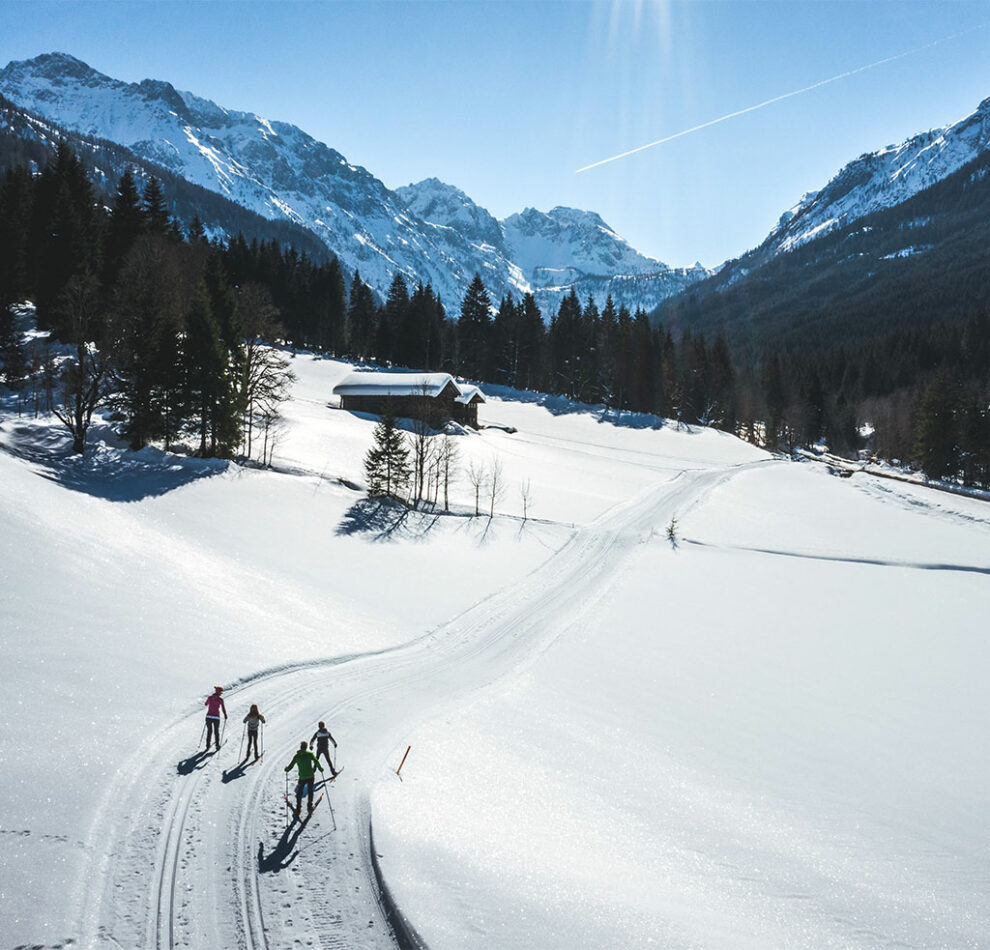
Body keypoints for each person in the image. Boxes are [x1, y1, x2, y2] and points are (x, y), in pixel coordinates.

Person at [285, 741, 323, 814]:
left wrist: (287, 769)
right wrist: (320, 769)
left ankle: (298, 809)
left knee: (299, 793)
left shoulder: (297, 756)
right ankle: (309, 807)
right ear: (306, 747)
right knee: (310, 791)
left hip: (302, 777)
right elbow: (316, 761)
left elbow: (291, 766)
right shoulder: (310, 754)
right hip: (310, 776)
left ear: (300, 747)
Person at [204, 686, 227, 750]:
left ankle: (208, 745)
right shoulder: (220, 700)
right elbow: (223, 708)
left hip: (208, 716)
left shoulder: (210, 698)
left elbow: (206, 704)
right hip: (216, 717)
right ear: (218, 692)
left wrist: (209, 702)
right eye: (221, 692)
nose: (222, 693)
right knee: (216, 731)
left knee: (209, 731)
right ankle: (217, 745)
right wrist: (225, 714)